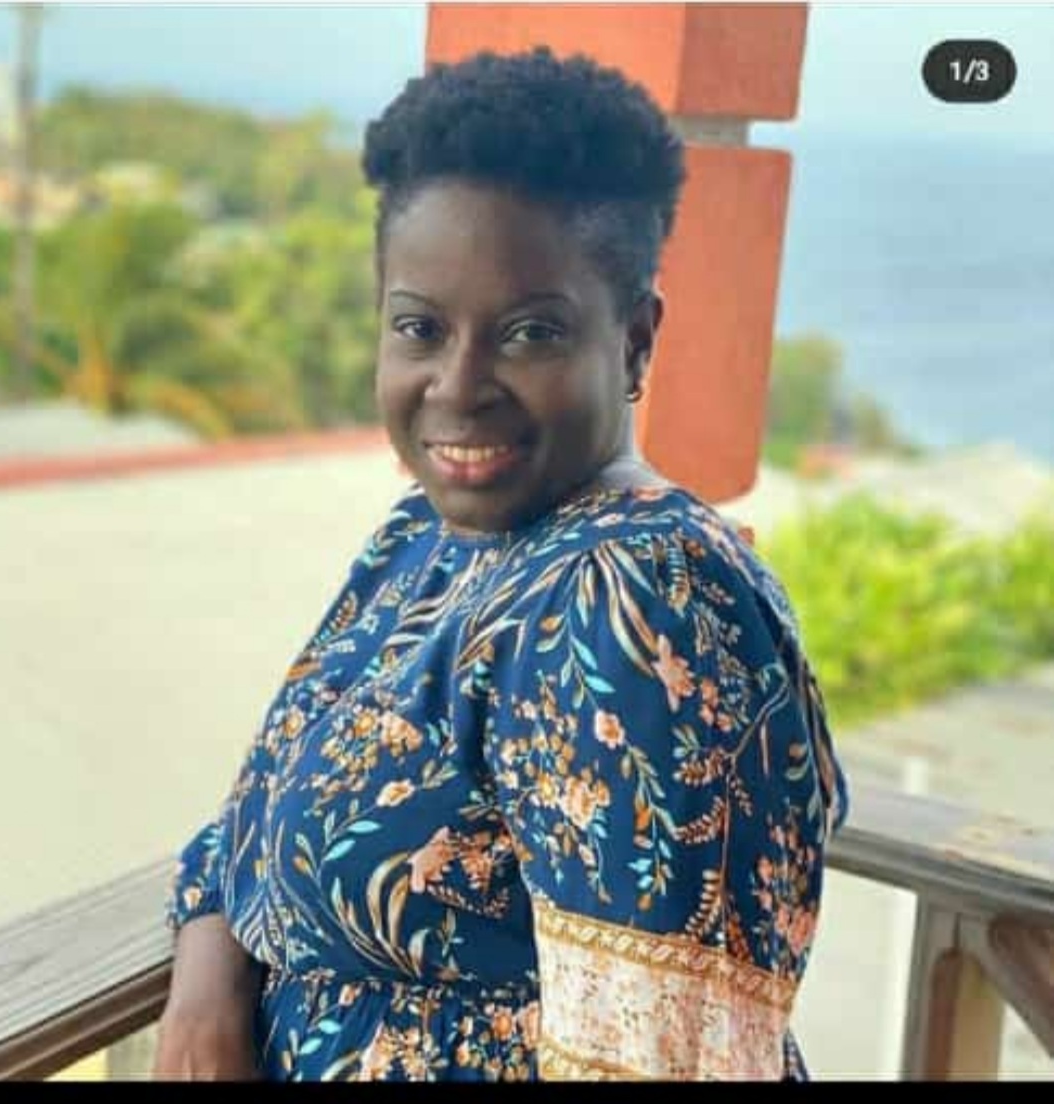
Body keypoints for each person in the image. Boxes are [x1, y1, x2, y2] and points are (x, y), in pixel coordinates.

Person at [152, 46, 848, 1082]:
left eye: (529, 333)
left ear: (636, 341)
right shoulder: (426, 539)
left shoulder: (638, 602)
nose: (459, 385)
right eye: (420, 328)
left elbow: (663, 1061)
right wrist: (205, 994)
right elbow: (252, 820)